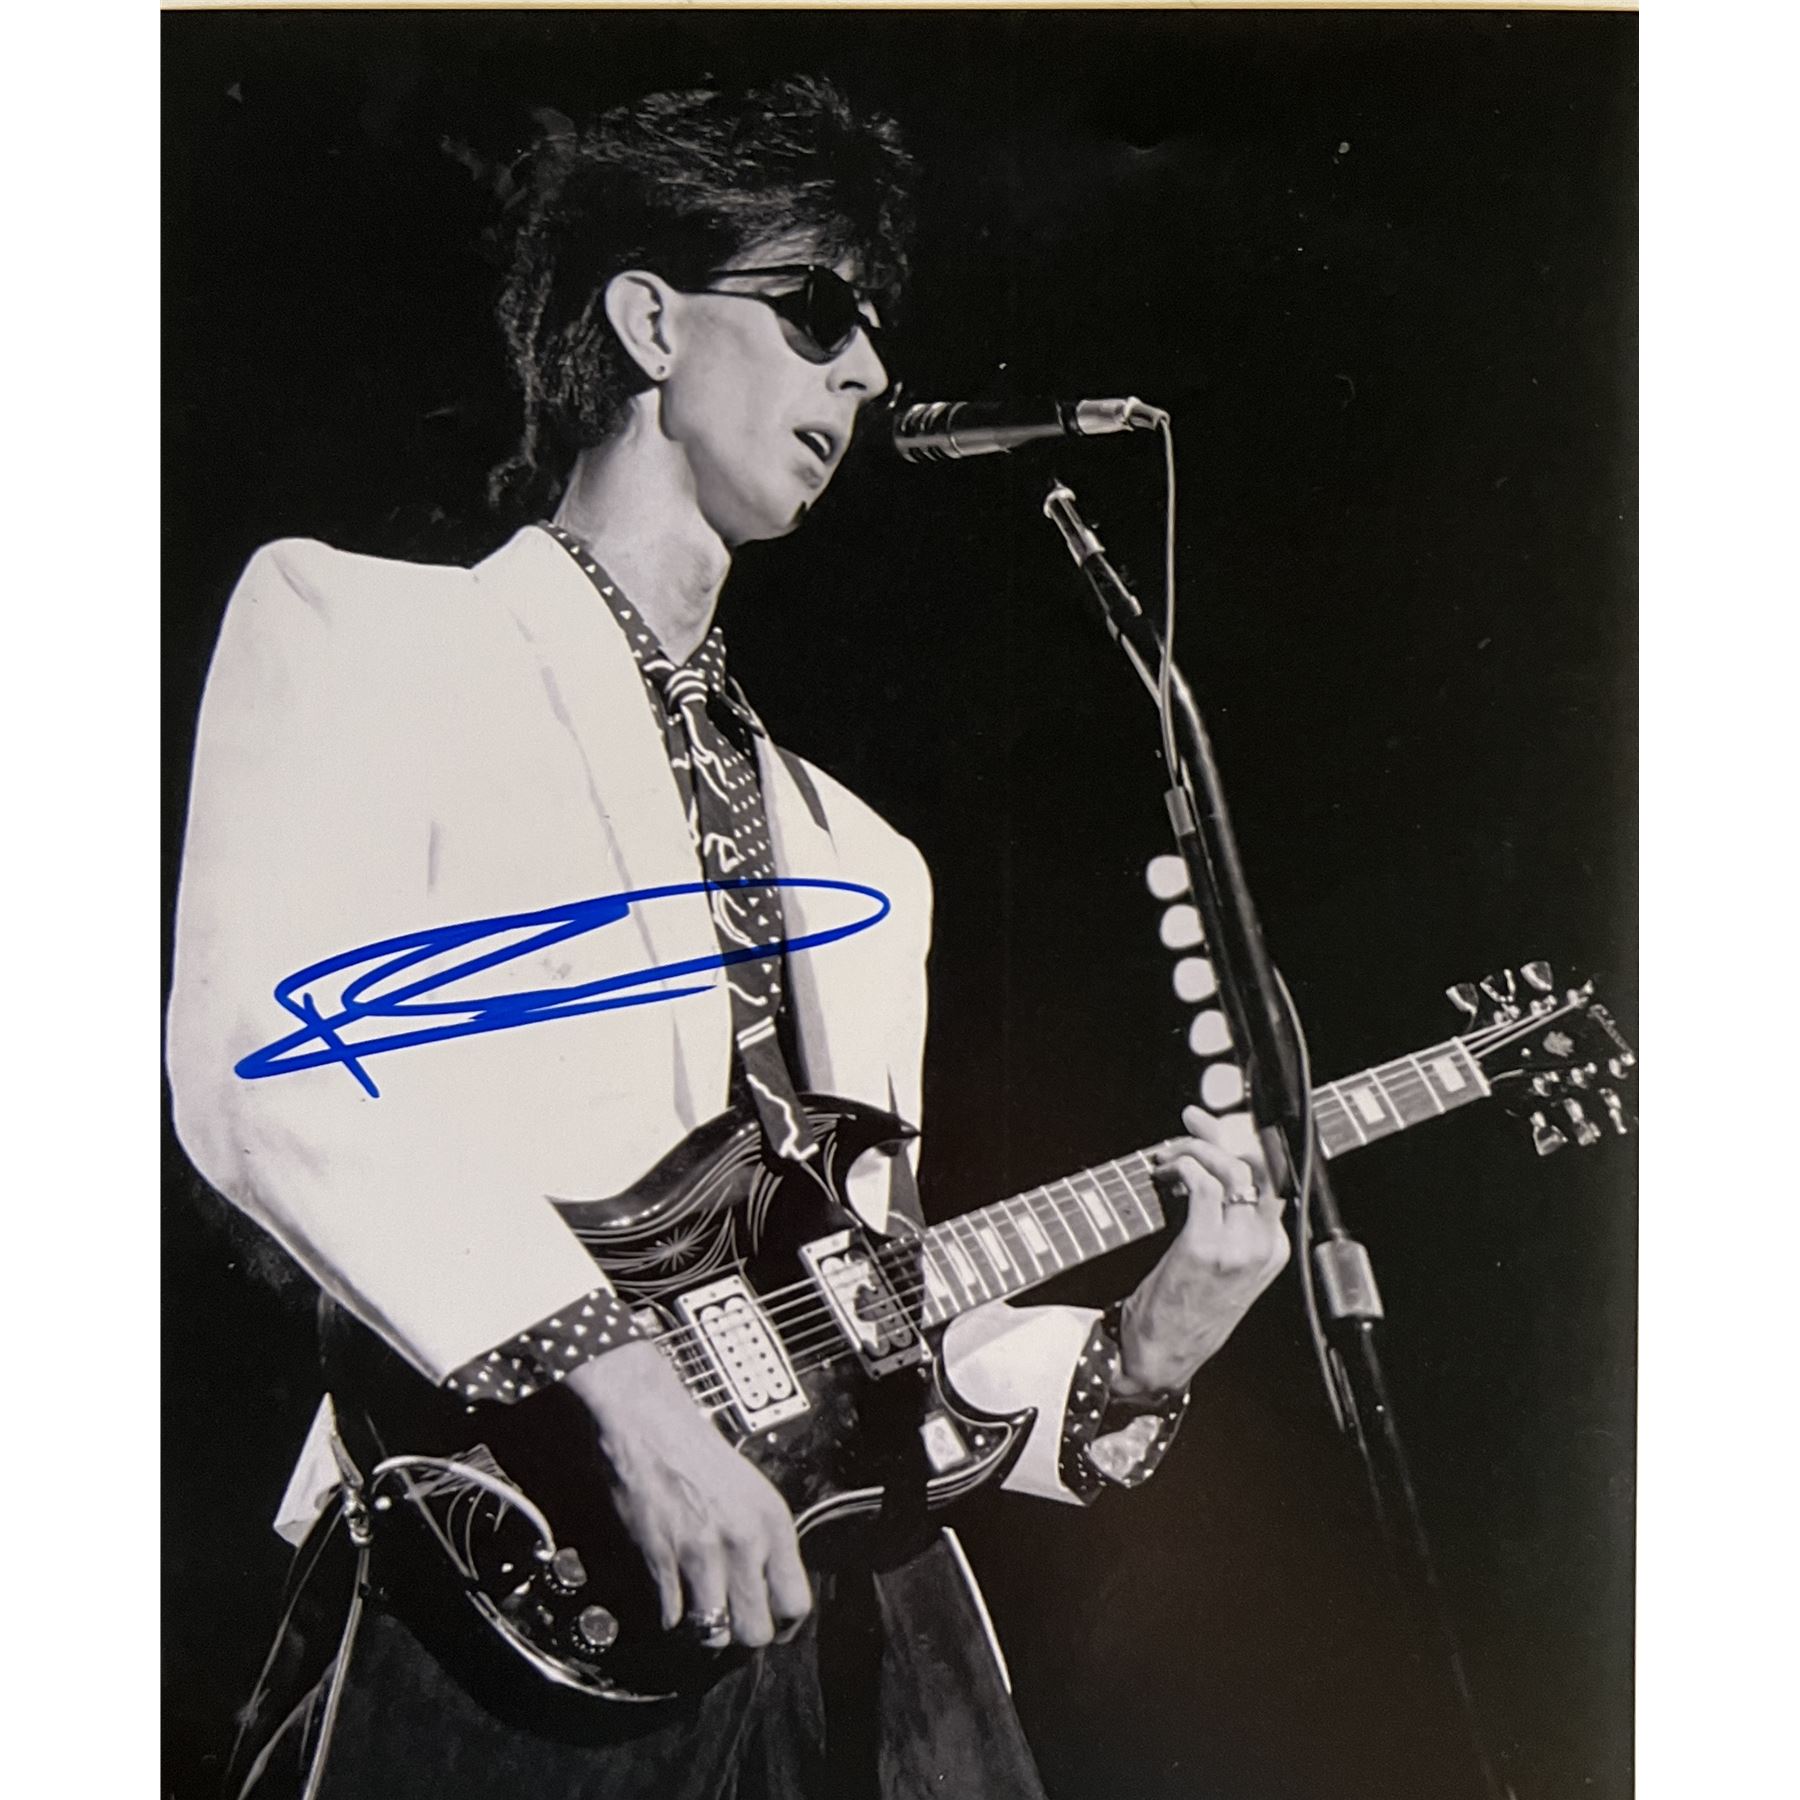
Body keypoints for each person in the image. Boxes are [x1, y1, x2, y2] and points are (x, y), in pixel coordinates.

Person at [167, 75, 1290, 1799]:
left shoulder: (867, 859)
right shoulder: (366, 635)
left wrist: (1144, 1352)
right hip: (519, 1575)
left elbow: (861, 1299)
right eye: (820, 309)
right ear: (648, 320)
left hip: (857, 1622)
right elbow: (263, 1066)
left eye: (875, 331)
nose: (871, 373)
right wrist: (622, 1390)